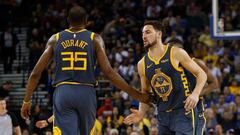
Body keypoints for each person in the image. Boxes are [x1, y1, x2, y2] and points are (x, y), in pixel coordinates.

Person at [21, 5, 150, 135]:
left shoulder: (55, 39)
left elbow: (35, 73)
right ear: (86, 21)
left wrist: (27, 100)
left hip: (63, 91)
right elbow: (108, 72)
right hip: (86, 91)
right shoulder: (95, 38)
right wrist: (136, 94)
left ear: (68, 20)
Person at [124, 20, 207, 135]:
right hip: (162, 115)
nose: (144, 36)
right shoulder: (142, 64)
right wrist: (141, 113)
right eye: (142, 33)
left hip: (183, 111)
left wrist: (195, 94)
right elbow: (145, 92)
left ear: (159, 34)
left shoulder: (176, 53)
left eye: (148, 32)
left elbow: (201, 74)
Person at [168, 38, 219, 135]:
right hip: (174, 112)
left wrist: (195, 94)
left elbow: (214, 83)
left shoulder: (196, 63)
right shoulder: (165, 68)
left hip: (194, 110)